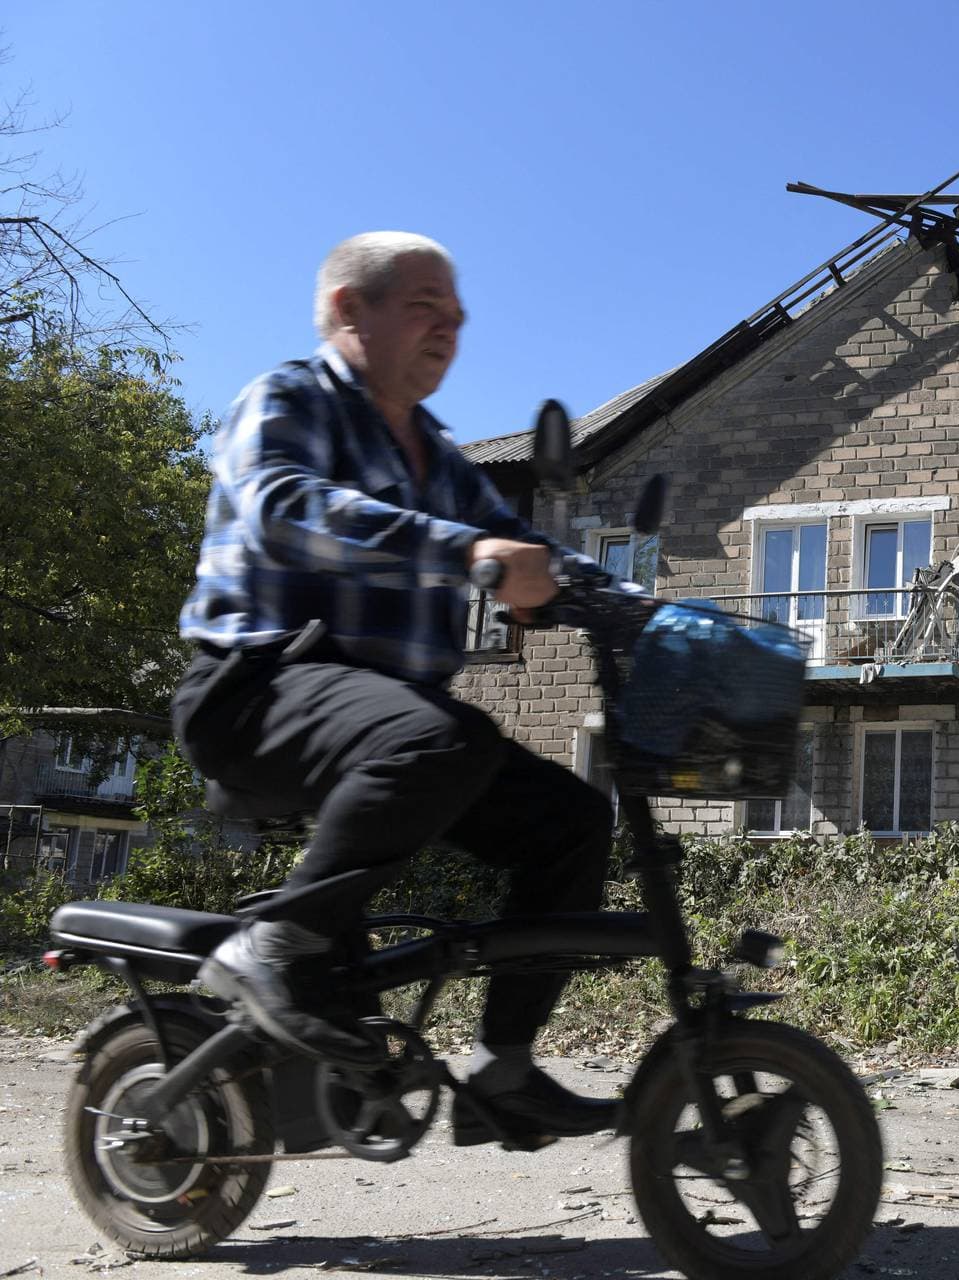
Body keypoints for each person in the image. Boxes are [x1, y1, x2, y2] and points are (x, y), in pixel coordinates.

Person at [173, 231, 615, 1144]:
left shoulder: (440, 459)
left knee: (572, 819)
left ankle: (504, 1071)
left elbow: (529, 549)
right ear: (348, 309)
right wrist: (469, 552)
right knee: (443, 737)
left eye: (455, 316)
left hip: (385, 721)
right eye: (423, 307)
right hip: (254, 690)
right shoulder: (289, 398)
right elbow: (283, 509)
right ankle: (276, 945)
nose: (448, 329)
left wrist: (637, 605)